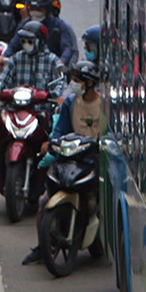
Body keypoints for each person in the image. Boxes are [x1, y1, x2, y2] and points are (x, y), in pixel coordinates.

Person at [21, 60, 107, 263]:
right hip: (71, 157)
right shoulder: (70, 103)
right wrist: (51, 143)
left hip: (95, 158)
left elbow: (110, 133)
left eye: (78, 81)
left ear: (90, 84)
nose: (74, 85)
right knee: (45, 201)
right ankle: (42, 248)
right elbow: (61, 131)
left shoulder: (104, 104)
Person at [0, 20, 65, 210]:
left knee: (55, 148)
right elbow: (1, 82)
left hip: (41, 113)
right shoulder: (16, 59)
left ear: (40, 41)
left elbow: (61, 84)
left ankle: (54, 190)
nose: (26, 43)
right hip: (14, 110)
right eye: (24, 40)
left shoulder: (52, 61)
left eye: (30, 40)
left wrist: (57, 97)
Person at [28, 0, 78, 65]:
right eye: (33, 9)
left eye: (39, 10)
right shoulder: (25, 24)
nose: (35, 13)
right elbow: (14, 45)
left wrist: (60, 63)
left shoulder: (61, 26)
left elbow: (68, 48)